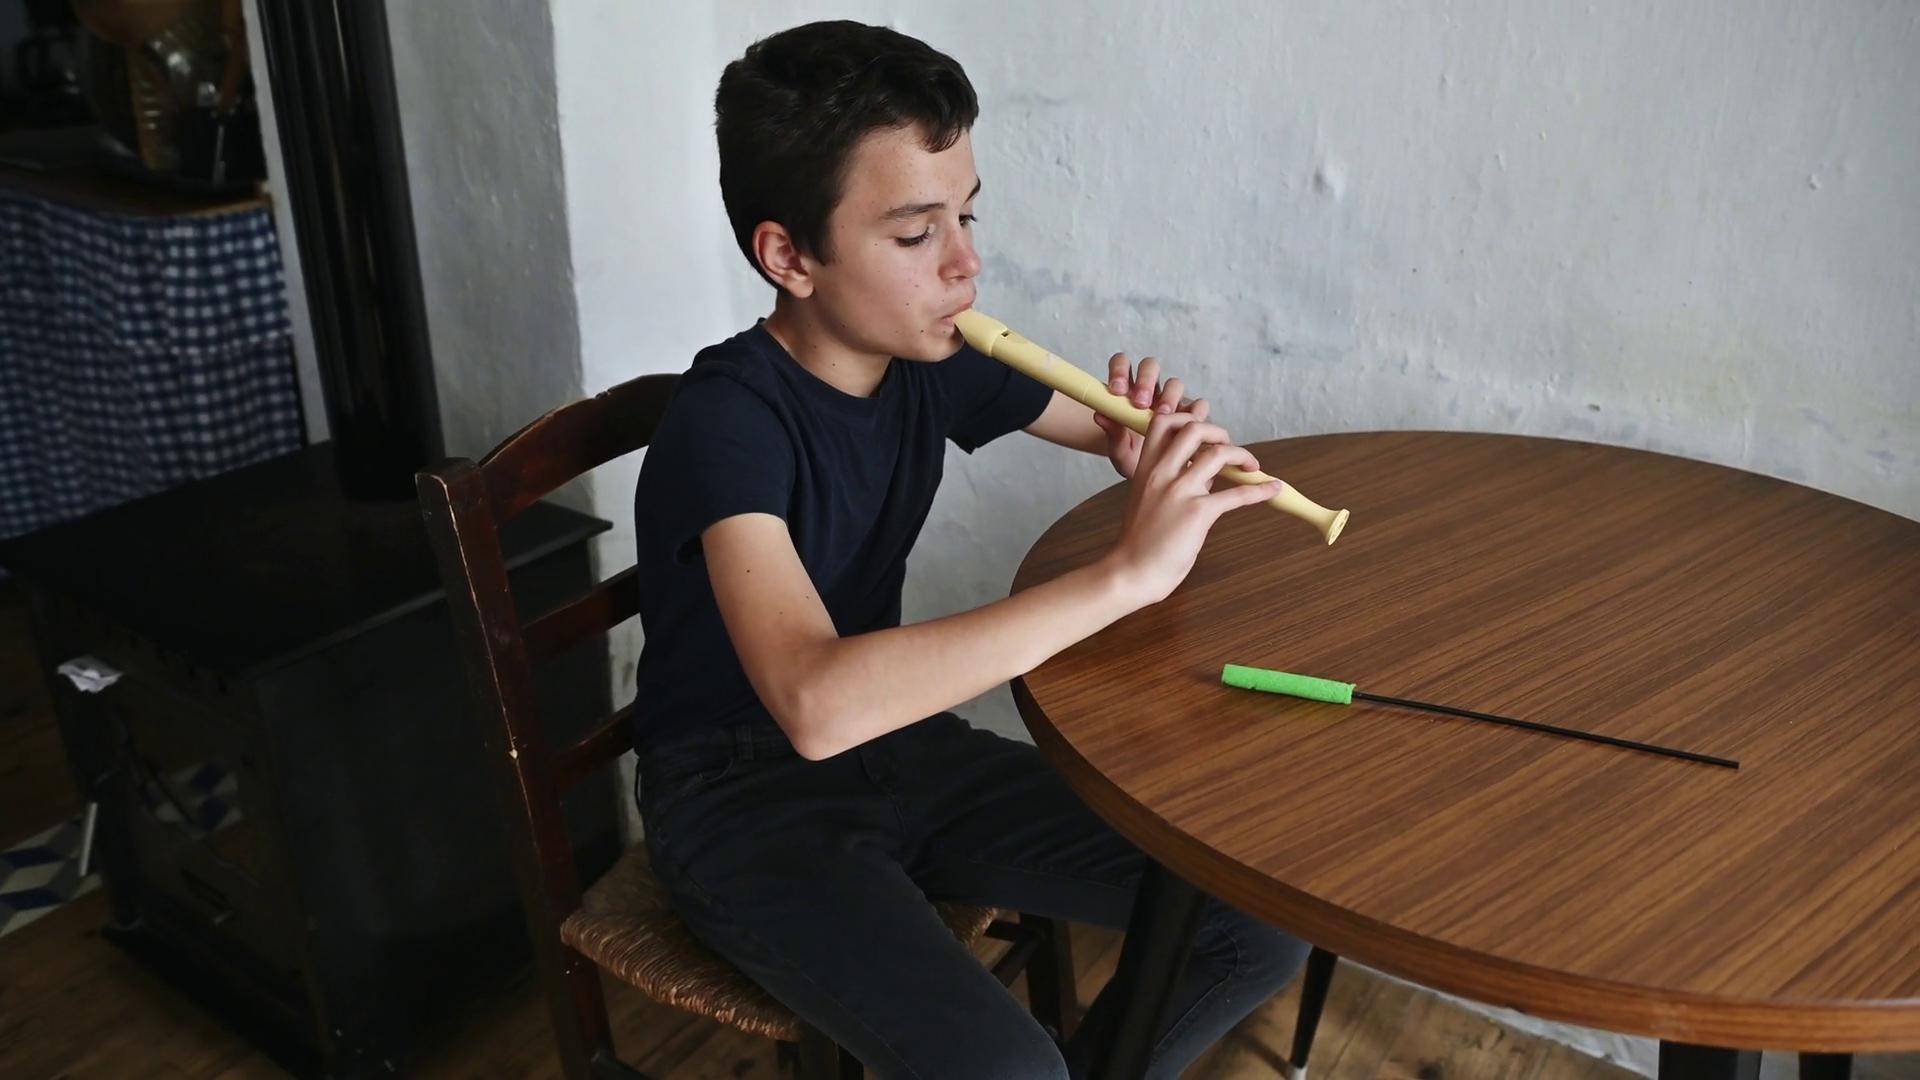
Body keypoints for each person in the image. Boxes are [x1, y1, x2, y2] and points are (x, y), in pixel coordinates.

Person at [630, 20, 1309, 1079]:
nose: (967, 264)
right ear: (788, 257)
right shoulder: (727, 422)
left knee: (1252, 914)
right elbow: (814, 703)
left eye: (967, 214)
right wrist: (1126, 575)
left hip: (897, 749)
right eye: (916, 235)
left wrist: (1147, 449)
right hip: (737, 799)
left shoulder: (928, 356)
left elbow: (1102, 425)